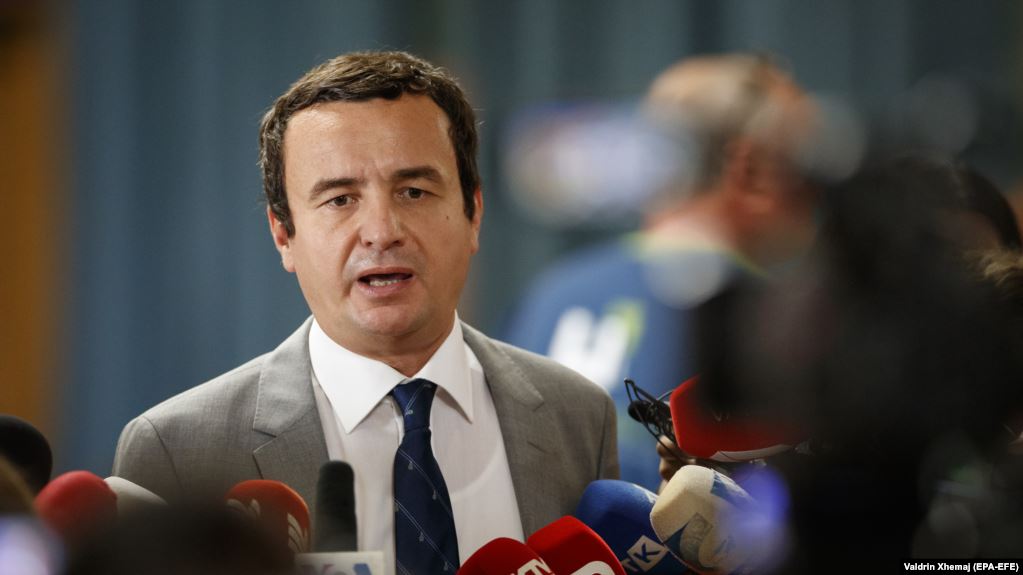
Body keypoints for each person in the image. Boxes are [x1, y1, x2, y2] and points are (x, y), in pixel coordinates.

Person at [112, 51, 618, 573]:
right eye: (340, 199)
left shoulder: (578, 416)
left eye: (414, 191)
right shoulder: (178, 450)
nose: (382, 231)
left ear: (473, 214)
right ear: (283, 235)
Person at [502, 53, 818, 490]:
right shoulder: (768, 314)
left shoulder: (556, 288)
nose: (815, 186)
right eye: (801, 160)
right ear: (749, 168)